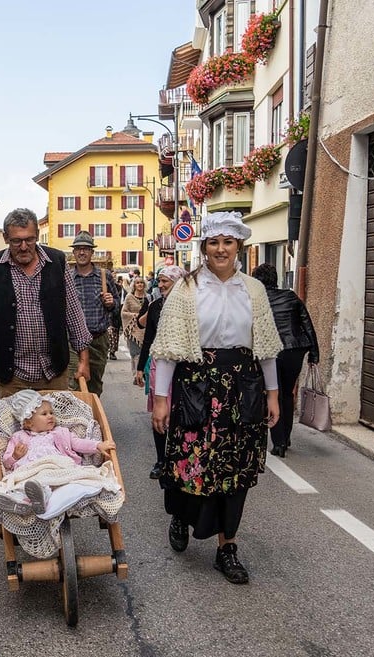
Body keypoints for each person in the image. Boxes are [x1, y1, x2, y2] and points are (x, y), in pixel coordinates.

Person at [150, 211, 283, 585]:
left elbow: (267, 348)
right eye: (214, 242)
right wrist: (161, 400)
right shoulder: (186, 290)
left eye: (228, 242)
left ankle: (227, 548)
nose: (221, 249)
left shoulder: (254, 290)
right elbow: (168, 351)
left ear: (239, 245)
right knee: (190, 466)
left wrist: (273, 394)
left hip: (244, 390)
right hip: (196, 389)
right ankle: (181, 514)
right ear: (204, 247)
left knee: (236, 470)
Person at [0, 208, 92, 397]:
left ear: (37, 235)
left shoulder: (57, 262)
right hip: (12, 375)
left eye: (29, 239)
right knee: (14, 426)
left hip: (54, 372)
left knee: (56, 426)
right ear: (5, 238)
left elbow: (73, 312)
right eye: (16, 241)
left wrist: (84, 360)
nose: (23, 246)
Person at [0, 390, 114, 517]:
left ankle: (37, 499)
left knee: (63, 481)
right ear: (29, 422)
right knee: (25, 483)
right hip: (31, 470)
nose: (50, 416)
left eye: (51, 413)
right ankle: (21, 501)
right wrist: (15, 456)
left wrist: (97, 445)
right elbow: (6, 462)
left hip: (55, 466)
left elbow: (78, 443)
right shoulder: (18, 437)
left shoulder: (60, 432)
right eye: (44, 414)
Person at [251, 264, 320, 458]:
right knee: (287, 394)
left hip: (270, 351)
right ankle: (286, 437)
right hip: (293, 351)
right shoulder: (290, 297)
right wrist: (314, 353)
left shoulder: (256, 300)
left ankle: (279, 442)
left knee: (273, 394)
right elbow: (307, 324)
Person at [133, 266, 186, 480]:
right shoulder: (155, 306)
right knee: (159, 415)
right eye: (160, 281)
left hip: (183, 369)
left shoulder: (189, 307)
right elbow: (148, 339)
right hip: (158, 365)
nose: (161, 285)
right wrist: (140, 367)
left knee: (181, 415)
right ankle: (161, 461)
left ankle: (179, 458)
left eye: (166, 281)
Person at [65, 231, 120, 395]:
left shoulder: (105, 276)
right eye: (78, 249)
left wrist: (111, 303)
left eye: (86, 249)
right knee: (74, 384)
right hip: (73, 342)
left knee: (94, 385)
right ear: (73, 252)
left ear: (92, 253)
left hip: (97, 340)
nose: (82, 252)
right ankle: (76, 419)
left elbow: (117, 307)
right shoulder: (66, 278)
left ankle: (91, 418)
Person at [120, 276, 149, 371]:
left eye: (141, 282)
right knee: (135, 353)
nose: (140, 284)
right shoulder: (129, 297)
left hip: (146, 329)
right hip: (133, 330)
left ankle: (144, 372)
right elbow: (123, 313)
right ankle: (136, 373)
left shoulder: (148, 297)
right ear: (134, 285)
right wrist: (135, 316)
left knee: (145, 353)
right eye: (138, 283)